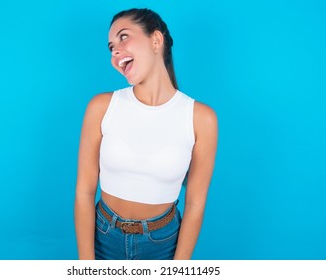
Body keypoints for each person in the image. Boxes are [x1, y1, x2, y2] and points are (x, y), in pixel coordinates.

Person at [74, 8, 218, 260]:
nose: (115, 51)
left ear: (156, 40)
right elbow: (84, 192)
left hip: (163, 243)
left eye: (123, 37)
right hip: (103, 236)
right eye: (111, 47)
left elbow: (195, 204)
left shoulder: (200, 118)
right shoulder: (101, 107)